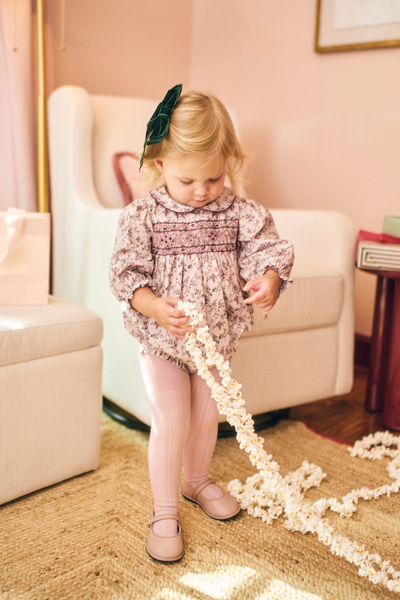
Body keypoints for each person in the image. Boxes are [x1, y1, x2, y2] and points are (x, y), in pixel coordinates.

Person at [109, 84, 294, 563]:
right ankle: (164, 509)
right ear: (160, 164)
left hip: (216, 336)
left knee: (206, 415)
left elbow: (267, 252)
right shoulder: (142, 217)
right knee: (172, 419)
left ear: (228, 164)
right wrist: (153, 307)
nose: (201, 192)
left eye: (213, 179)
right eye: (188, 180)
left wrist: (269, 280)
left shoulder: (239, 212)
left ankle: (196, 481)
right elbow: (127, 276)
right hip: (163, 338)